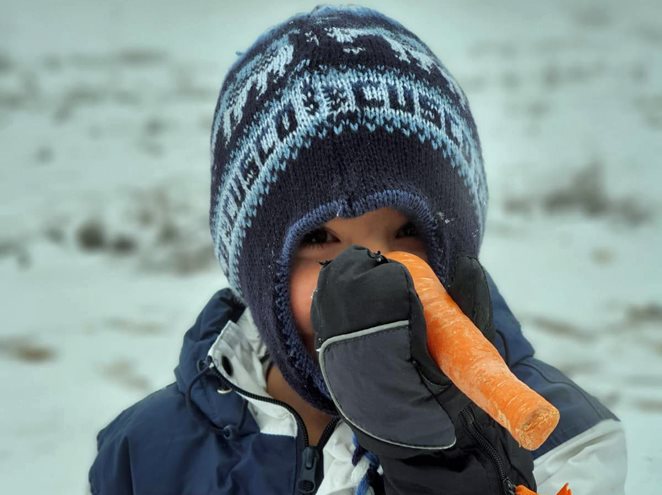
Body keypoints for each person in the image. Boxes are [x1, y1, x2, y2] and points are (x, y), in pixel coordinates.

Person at [89, 5, 627, 494]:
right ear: (256, 272)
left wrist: (441, 466)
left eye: (406, 234)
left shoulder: (554, 439)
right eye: (320, 240)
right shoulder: (148, 453)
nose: (374, 278)